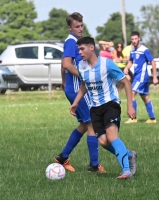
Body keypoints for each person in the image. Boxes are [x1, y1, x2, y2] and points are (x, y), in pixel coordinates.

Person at [71, 36, 137, 179]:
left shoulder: (107, 64)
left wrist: (130, 106)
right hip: (95, 108)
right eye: (78, 50)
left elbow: (126, 83)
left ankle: (126, 171)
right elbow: (84, 85)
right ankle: (129, 154)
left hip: (110, 104)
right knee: (103, 141)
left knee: (112, 137)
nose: (80, 52)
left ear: (91, 48)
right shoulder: (81, 66)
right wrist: (76, 102)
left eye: (82, 49)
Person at [56, 12, 106, 173]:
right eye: (76, 26)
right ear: (69, 27)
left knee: (85, 125)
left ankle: (62, 157)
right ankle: (94, 165)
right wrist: (85, 76)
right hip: (77, 90)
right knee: (91, 124)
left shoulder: (75, 42)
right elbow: (66, 64)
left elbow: (64, 64)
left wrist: (63, 81)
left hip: (75, 89)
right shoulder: (71, 41)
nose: (80, 29)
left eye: (81, 25)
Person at [123, 31, 158, 124]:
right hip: (137, 76)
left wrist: (155, 77)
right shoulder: (132, 50)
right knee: (145, 97)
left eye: (135, 39)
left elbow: (153, 62)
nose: (134, 41)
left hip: (142, 77)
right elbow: (131, 61)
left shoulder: (144, 50)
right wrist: (126, 68)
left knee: (131, 94)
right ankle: (152, 118)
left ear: (139, 38)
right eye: (132, 39)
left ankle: (133, 118)